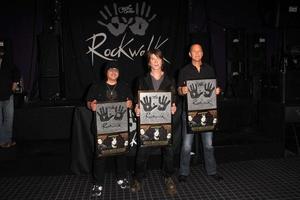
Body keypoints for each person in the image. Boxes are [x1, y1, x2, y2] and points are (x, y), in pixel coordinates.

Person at [131, 49, 178, 196]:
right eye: (152, 59)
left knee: (169, 152)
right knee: (142, 153)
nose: (156, 61)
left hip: (165, 123)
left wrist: (174, 106)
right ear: (149, 62)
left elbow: (173, 98)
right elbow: (137, 101)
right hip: (147, 122)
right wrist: (136, 108)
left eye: (158, 58)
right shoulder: (141, 80)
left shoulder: (170, 80)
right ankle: (139, 178)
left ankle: (168, 177)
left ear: (162, 61)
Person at [177, 43, 223, 182]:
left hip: (207, 112)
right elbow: (178, 90)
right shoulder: (184, 70)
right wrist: (182, 90)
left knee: (208, 144)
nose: (197, 53)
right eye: (194, 51)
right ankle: (183, 172)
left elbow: (214, 88)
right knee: (186, 145)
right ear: (190, 54)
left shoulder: (209, 69)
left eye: (199, 51)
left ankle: (212, 170)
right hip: (189, 112)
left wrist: (217, 91)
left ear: (202, 53)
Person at [86, 61, 133, 197]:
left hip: (121, 127)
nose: (113, 72)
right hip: (102, 128)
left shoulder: (124, 86)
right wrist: (91, 105)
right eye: (111, 70)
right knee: (100, 156)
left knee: (121, 153)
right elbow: (88, 102)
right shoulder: (96, 86)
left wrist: (130, 104)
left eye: (116, 70)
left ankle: (121, 177)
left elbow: (131, 102)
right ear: (106, 72)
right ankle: (98, 183)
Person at [0, 39, 20, 148]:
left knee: (9, 119)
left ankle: (6, 140)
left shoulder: (7, 61)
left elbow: (16, 71)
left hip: (8, 94)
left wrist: (15, 83)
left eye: (2, 50)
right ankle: (2, 141)